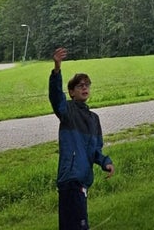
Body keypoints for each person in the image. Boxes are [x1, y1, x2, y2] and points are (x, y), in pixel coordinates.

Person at [50, 47, 114, 230]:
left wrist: (105, 162)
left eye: (87, 84)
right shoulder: (67, 111)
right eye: (80, 85)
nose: (85, 88)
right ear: (71, 92)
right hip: (70, 179)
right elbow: (55, 96)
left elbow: (95, 150)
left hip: (83, 180)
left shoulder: (94, 119)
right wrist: (57, 69)